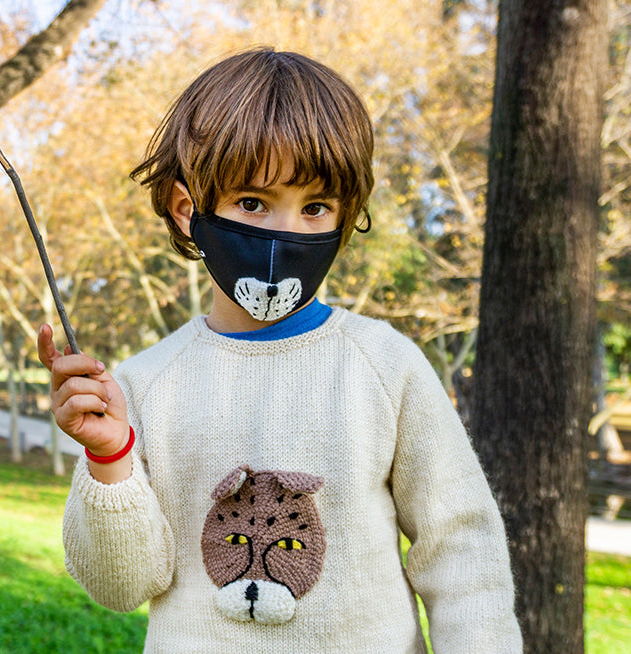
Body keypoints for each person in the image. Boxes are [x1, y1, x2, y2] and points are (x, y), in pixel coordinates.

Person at [36, 48, 521, 652]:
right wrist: (111, 458)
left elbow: (463, 553)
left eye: (315, 208)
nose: (286, 233)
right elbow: (122, 586)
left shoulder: (385, 366)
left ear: (345, 216)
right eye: (252, 203)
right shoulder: (143, 386)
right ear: (188, 211)